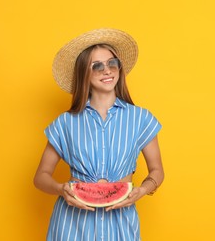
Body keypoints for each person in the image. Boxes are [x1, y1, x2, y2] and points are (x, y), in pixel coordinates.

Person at [34, 28, 164, 241]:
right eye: (97, 66)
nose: (107, 70)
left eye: (112, 63)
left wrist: (143, 190)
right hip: (72, 224)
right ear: (84, 73)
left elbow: (157, 170)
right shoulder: (66, 122)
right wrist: (61, 189)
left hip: (121, 223)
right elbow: (40, 177)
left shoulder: (141, 118)